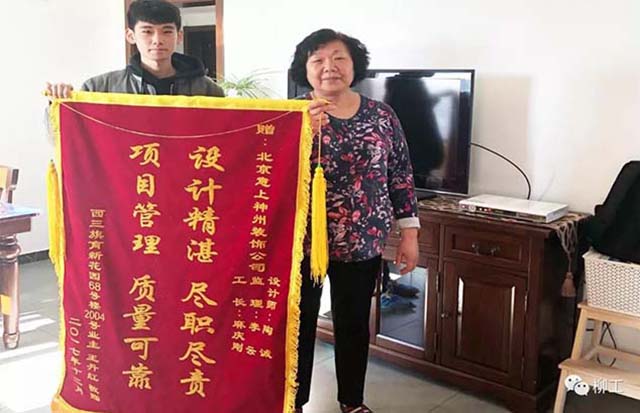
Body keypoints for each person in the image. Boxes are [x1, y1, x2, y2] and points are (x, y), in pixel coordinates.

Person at [289, 29, 420, 413]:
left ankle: (352, 401)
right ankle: (294, 402)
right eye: (318, 60)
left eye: (338, 58)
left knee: (353, 324)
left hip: (363, 241)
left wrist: (409, 234)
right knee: (299, 326)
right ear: (305, 69)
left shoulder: (381, 115)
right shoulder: (292, 114)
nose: (329, 67)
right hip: (303, 242)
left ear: (354, 64)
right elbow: (266, 172)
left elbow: (400, 174)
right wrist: (300, 135)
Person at [46, 0, 224, 98]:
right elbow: (69, 136)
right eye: (147, 31)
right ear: (130, 36)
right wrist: (60, 101)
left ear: (179, 36)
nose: (157, 40)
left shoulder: (207, 90)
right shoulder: (100, 88)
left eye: (166, 31)